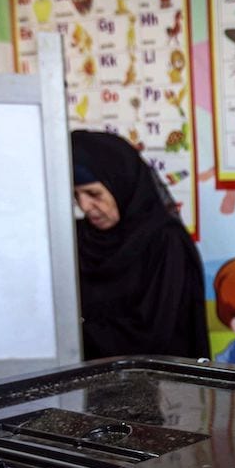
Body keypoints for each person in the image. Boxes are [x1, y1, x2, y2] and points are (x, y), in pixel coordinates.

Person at [70, 129, 209, 360]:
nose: (85, 206)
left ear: (121, 183)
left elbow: (153, 334)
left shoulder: (165, 241)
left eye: (93, 193)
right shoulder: (79, 239)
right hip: (84, 386)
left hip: (156, 387)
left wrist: (77, 332)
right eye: (76, 195)